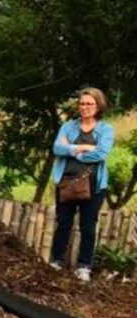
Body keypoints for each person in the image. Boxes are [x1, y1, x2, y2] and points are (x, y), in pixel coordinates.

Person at [50, 87, 114, 282]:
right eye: (82, 103)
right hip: (67, 182)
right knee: (63, 223)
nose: (85, 107)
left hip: (94, 186)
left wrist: (71, 150)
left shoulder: (106, 130)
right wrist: (81, 147)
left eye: (89, 104)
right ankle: (56, 261)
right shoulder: (69, 126)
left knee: (88, 226)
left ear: (98, 106)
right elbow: (57, 148)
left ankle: (84, 266)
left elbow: (101, 153)